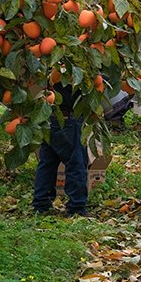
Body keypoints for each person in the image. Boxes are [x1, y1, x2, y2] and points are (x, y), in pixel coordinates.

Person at [33, 83, 88, 217]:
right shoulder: (73, 67)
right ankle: (76, 208)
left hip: (47, 118)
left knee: (47, 163)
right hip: (68, 119)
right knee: (76, 164)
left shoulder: (48, 66)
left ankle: (41, 206)